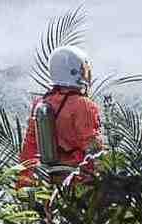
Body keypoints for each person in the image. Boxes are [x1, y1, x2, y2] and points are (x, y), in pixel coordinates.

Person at [17, 45, 104, 188]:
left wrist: (24, 184)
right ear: (74, 72)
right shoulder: (84, 106)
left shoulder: (41, 103)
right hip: (78, 183)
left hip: (48, 182)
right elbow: (94, 151)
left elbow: (29, 148)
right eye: (83, 69)